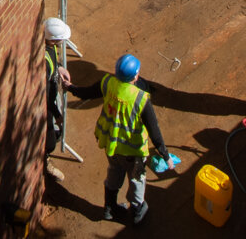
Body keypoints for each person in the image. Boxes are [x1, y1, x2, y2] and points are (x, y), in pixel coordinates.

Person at [71, 53, 169, 226]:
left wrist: (70, 86)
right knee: (137, 179)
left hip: (111, 145)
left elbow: (86, 93)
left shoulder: (107, 83)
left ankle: (109, 208)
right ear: (136, 76)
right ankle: (137, 211)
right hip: (133, 151)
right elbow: (154, 130)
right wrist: (165, 154)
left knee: (114, 171)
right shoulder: (140, 98)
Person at [42, 17, 73, 181]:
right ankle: (45, 161)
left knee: (56, 134)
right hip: (49, 105)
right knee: (51, 141)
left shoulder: (50, 47)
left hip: (53, 99)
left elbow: (54, 58)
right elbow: (46, 96)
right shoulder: (44, 61)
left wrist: (59, 67)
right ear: (53, 39)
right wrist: (56, 114)